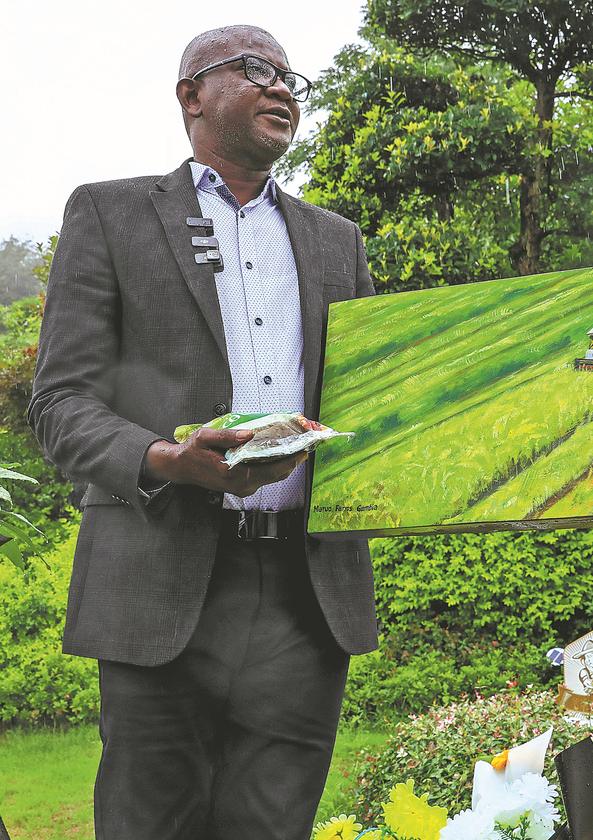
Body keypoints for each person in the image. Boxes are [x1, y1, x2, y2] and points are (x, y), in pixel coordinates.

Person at [28, 25, 377, 839]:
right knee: (153, 824)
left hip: (305, 588)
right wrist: (162, 459)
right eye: (257, 70)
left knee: (272, 826)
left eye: (292, 76)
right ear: (191, 96)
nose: (283, 88)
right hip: (162, 577)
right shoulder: (109, 214)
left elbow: (371, 399)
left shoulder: (337, 239)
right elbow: (62, 403)